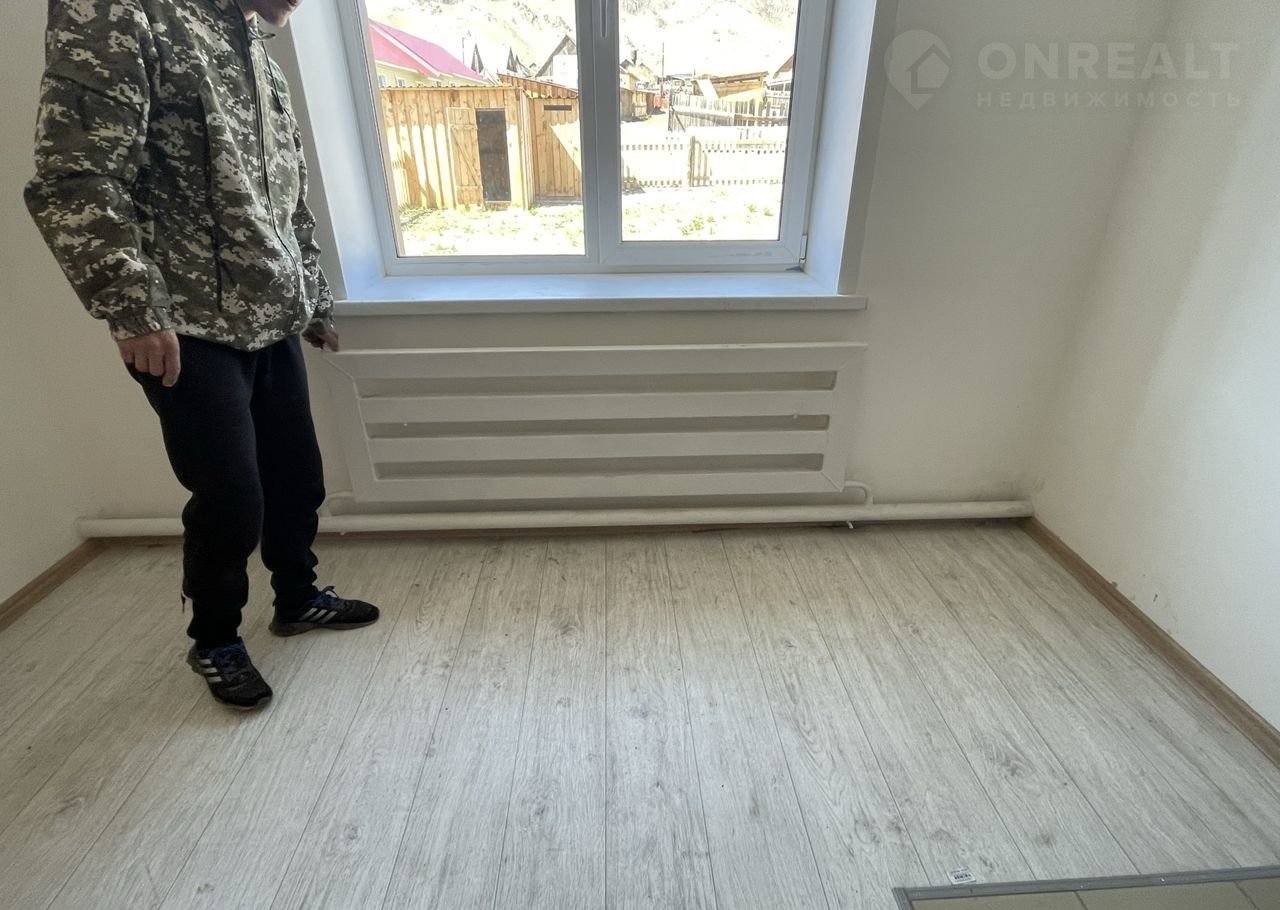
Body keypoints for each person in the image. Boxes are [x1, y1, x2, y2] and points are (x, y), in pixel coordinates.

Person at [25, 0, 379, 711]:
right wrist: (131, 307)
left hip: (269, 313)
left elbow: (287, 196)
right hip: (183, 322)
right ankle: (215, 639)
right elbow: (77, 176)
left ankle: (297, 596)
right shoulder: (123, 12)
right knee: (231, 498)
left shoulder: (252, 45)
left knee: (295, 478)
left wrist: (312, 298)